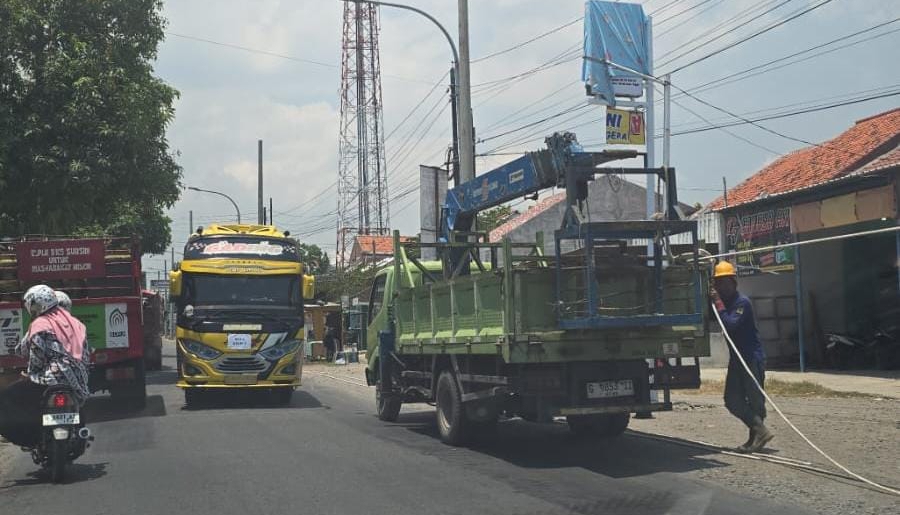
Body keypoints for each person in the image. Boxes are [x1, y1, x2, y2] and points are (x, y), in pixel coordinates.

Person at [0, 285, 90, 448]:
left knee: (7, 397)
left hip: (49, 379)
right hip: (77, 382)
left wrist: (30, 375)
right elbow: (86, 355)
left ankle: (28, 438)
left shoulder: (40, 324)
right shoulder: (76, 324)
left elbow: (37, 357)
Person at [710, 261, 774, 453]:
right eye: (718, 283)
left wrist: (718, 303)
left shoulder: (741, 303)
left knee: (755, 400)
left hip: (751, 359)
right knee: (732, 399)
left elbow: (730, 325)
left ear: (733, 282)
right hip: (737, 360)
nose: (722, 287)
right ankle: (759, 430)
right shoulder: (725, 303)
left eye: (725, 283)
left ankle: (756, 436)